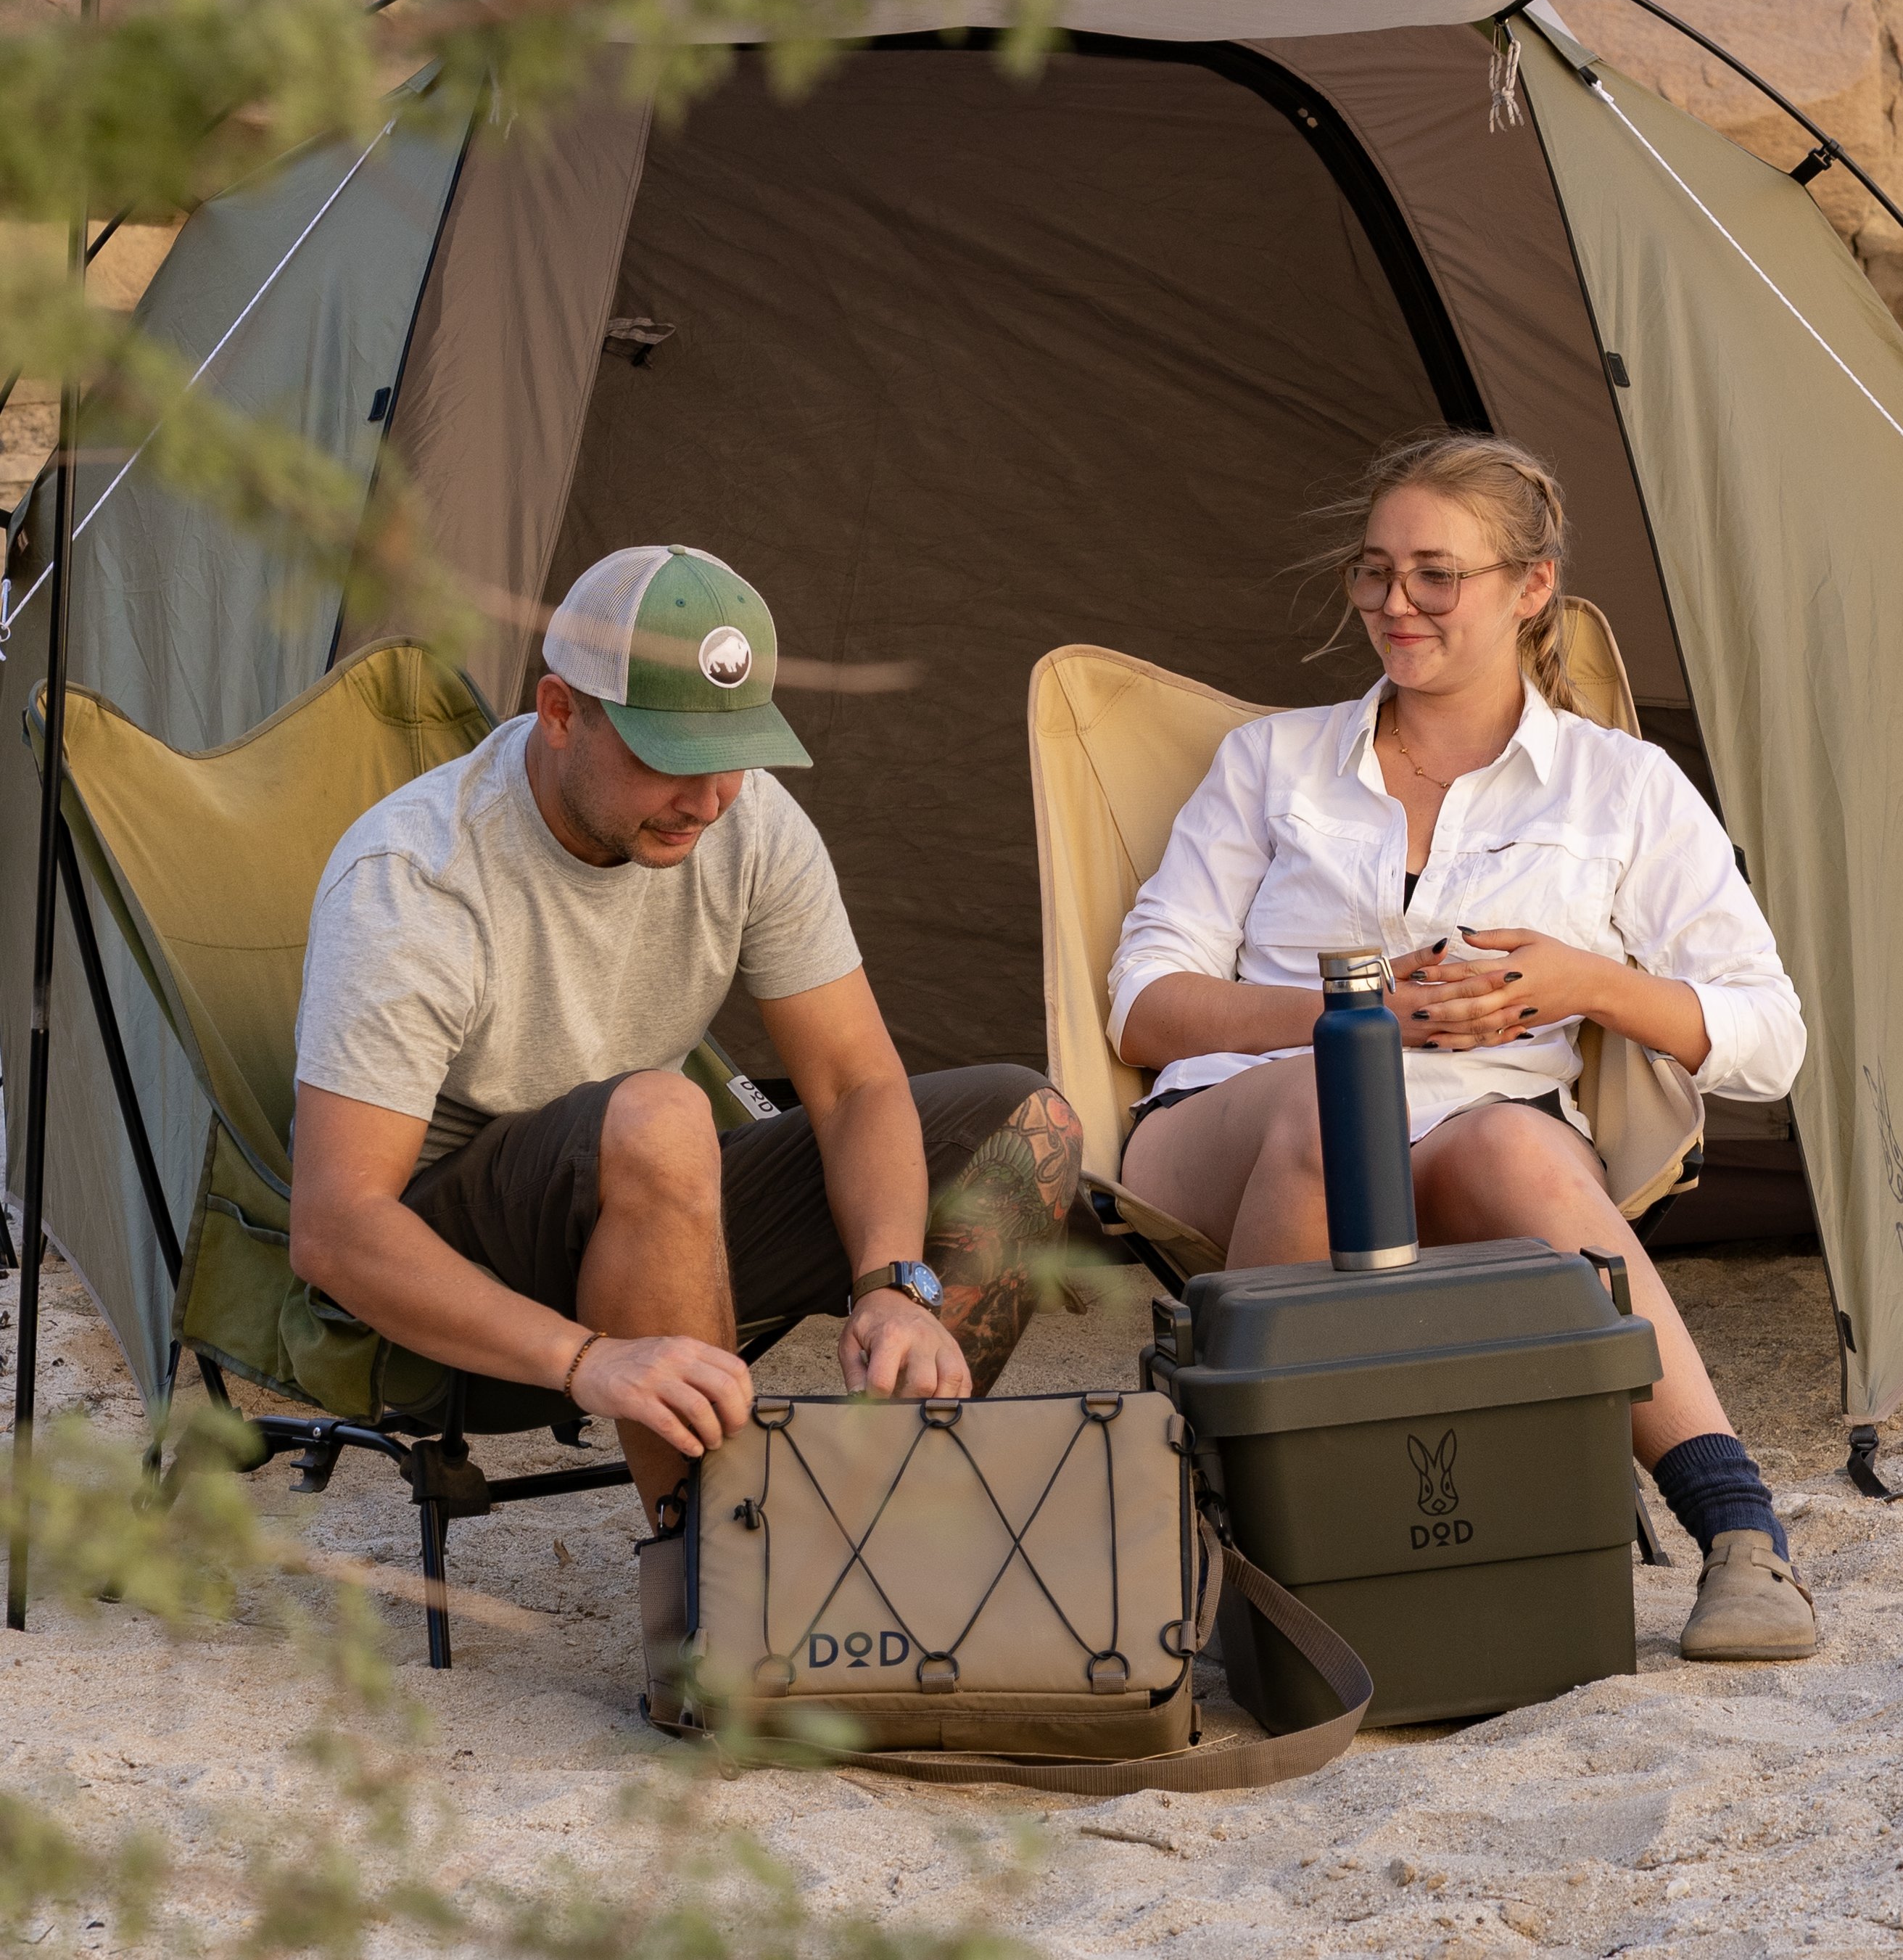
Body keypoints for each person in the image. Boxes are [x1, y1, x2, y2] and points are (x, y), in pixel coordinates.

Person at [1110, 433, 1815, 1662]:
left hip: (1469, 1137)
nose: (1395, 604)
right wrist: (1358, 1017)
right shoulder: (1272, 763)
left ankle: (1739, 1531)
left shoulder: (1622, 788)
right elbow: (1144, 1002)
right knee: (1339, 1103)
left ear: (1529, 586)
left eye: (1436, 575)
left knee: (1530, 1158)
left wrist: (1585, 981)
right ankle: (1261, 1543)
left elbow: (1770, 1041)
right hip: (1238, 1127)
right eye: (1373, 572)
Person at [289, 543, 1082, 1525]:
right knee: (666, 1118)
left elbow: (854, 1080)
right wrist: (586, 1358)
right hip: (470, 1252)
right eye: (669, 757)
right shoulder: (415, 876)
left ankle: (891, 1533)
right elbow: (337, 1225)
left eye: (733, 756)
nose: (708, 801)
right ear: (561, 712)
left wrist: (891, 1284)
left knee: (1027, 1120)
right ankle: (714, 1587)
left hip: (654, 1211)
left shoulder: (742, 824)